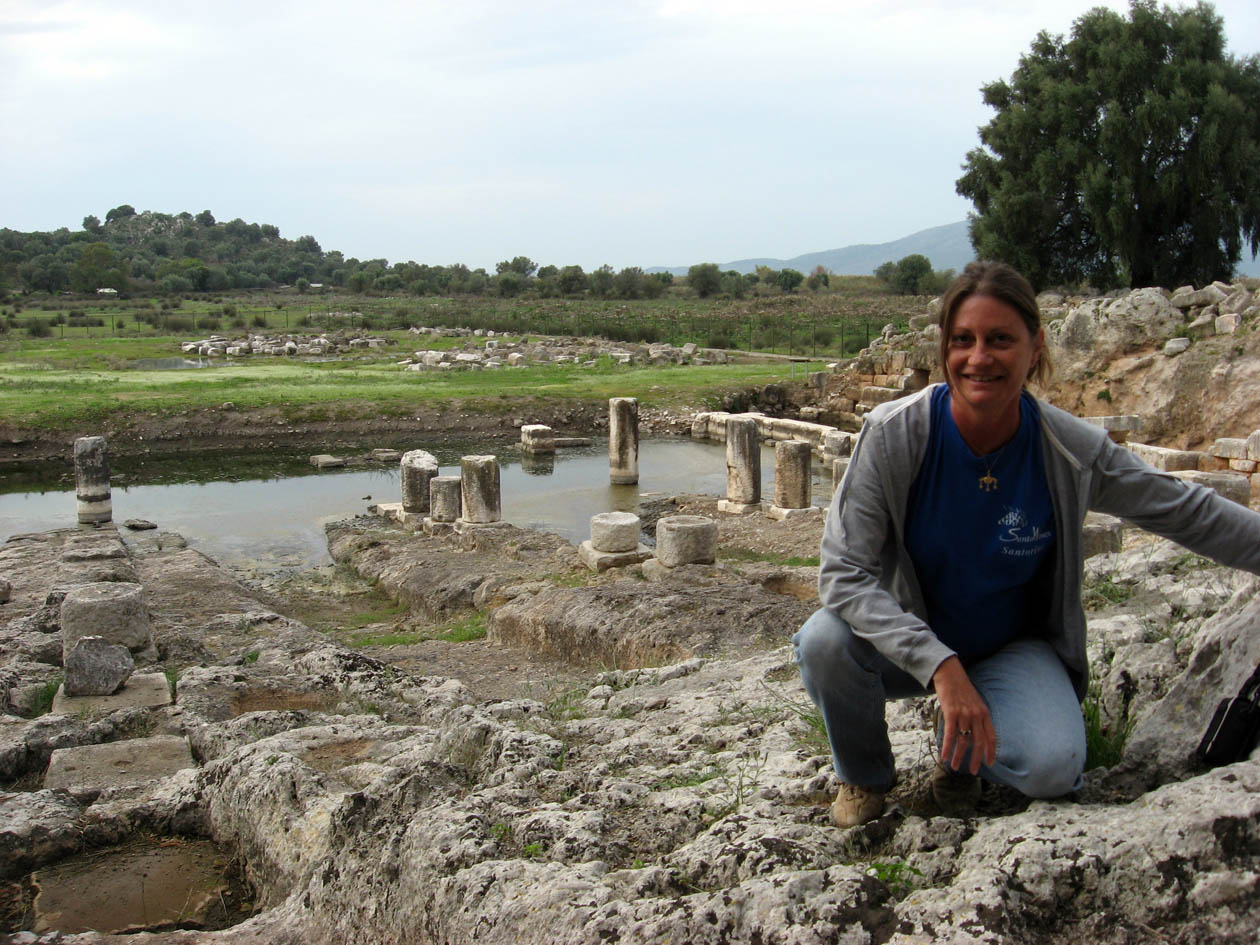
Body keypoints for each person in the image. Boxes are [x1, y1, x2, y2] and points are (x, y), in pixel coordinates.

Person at [793, 260, 1260, 827]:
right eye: (962, 340)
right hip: (906, 645)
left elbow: (1185, 510)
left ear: (1035, 347)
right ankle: (864, 776)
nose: (978, 358)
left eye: (1000, 340)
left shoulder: (1069, 449)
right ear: (943, 347)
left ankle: (960, 744)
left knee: (1053, 768)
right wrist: (940, 665)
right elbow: (844, 574)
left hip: (1010, 648)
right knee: (824, 641)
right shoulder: (895, 434)